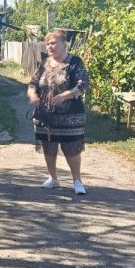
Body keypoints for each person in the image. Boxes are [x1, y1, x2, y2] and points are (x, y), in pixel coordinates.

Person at [27, 29, 90, 195]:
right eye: (47, 44)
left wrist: (64, 96)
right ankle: (53, 178)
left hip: (70, 116)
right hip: (45, 115)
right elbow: (32, 83)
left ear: (64, 44)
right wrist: (33, 96)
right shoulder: (44, 63)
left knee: (71, 147)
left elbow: (82, 84)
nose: (49, 46)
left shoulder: (74, 62)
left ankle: (77, 181)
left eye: (53, 43)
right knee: (48, 145)